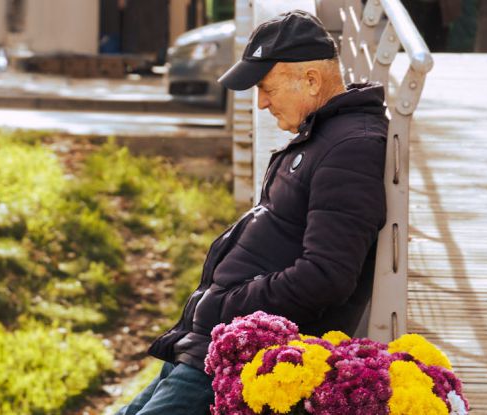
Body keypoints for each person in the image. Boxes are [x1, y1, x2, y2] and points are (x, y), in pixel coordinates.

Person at [116, 10, 387, 414]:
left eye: (266, 87)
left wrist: (229, 306)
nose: (261, 104)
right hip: (208, 349)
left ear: (311, 80)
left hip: (241, 355)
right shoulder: (321, 138)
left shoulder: (350, 147)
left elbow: (326, 276)